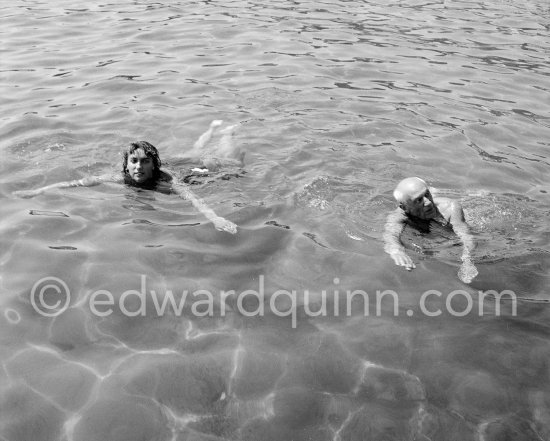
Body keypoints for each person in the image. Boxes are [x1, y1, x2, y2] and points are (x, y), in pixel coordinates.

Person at [13, 120, 241, 234]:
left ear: (153, 166)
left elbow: (194, 200)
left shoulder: (168, 181)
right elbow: (75, 183)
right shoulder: (119, 178)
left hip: (187, 172)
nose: (138, 167)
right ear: (126, 166)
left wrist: (216, 219)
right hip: (171, 164)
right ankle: (212, 129)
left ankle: (228, 133)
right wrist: (39, 191)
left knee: (230, 164)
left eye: (144, 162)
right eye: (134, 161)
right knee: (194, 151)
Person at [383, 177, 478, 283]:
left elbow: (466, 236)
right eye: (419, 200)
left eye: (427, 194)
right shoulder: (398, 216)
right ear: (404, 207)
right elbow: (390, 236)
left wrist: (467, 261)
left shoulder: (449, 208)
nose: (428, 203)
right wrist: (397, 250)